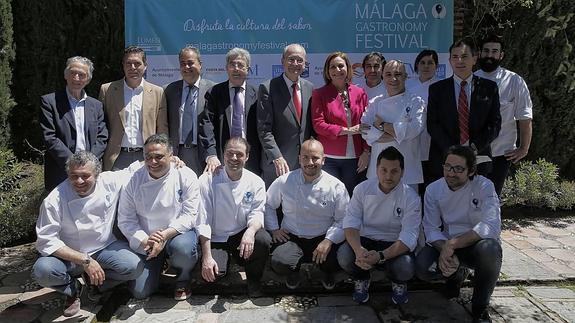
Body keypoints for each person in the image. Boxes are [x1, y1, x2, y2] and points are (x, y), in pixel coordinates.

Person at [32, 151, 143, 317]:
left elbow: (135, 169)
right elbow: (46, 241)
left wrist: (172, 159)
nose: (79, 181)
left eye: (85, 176)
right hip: (69, 255)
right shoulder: (54, 199)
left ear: (97, 174)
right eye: (74, 176)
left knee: (134, 267)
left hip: (104, 247)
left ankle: (97, 284)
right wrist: (85, 260)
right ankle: (72, 289)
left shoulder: (110, 181)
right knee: (42, 270)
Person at [415, 145, 502, 323]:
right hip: (446, 244)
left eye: (458, 169)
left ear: (471, 171)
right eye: (447, 166)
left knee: (491, 250)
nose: (451, 173)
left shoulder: (484, 186)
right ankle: (454, 277)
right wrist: (446, 249)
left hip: (475, 244)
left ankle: (480, 307)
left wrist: (453, 244)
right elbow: (431, 228)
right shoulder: (433, 189)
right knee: (423, 267)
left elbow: (491, 225)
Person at [117, 134, 200, 300]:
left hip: (176, 234)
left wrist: (164, 236)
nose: (153, 162)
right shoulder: (133, 179)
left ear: (171, 156)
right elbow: (126, 220)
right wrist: (145, 240)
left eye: (159, 157)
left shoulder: (186, 175)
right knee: (140, 292)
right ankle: (159, 267)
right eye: (148, 157)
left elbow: (190, 214)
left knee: (183, 250)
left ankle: (183, 279)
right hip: (147, 239)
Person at [338, 147, 421, 304]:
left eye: (394, 171)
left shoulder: (411, 198)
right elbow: (350, 222)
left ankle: (398, 281)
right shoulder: (362, 189)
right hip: (366, 240)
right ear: (376, 169)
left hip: (393, 243)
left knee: (405, 267)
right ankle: (361, 278)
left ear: (402, 172)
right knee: (344, 255)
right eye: (384, 170)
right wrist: (358, 250)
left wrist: (381, 256)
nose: (388, 176)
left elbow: (409, 236)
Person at [265, 139, 349, 290]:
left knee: (340, 260)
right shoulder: (284, 181)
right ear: (299, 159)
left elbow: (344, 219)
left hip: (323, 238)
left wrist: (329, 241)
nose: (310, 162)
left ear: (323, 160)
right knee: (280, 262)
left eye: (315, 158)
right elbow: (268, 204)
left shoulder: (336, 186)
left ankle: (325, 271)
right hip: (293, 237)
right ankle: (294, 271)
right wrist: (274, 229)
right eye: (305, 157)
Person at [197, 137, 272, 297]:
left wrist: (250, 231)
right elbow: (202, 220)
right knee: (213, 276)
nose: (234, 158)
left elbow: (257, 213)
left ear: (247, 157)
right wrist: (207, 257)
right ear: (223, 155)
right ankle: (222, 262)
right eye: (230, 153)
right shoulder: (207, 180)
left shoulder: (256, 181)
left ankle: (254, 280)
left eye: (239, 154)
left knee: (263, 239)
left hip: (241, 235)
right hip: (216, 237)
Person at [427, 39, 501, 182]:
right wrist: (454, 151)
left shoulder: (489, 88)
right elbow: (432, 124)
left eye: (464, 56)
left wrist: (475, 147)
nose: (459, 61)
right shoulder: (437, 89)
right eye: (455, 57)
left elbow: (495, 123)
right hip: (445, 160)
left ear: (474, 59)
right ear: (449, 61)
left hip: (479, 160)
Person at [475, 34, 533, 196]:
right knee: (472, 198)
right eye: (486, 51)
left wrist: (524, 148)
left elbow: (525, 117)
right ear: (479, 53)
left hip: (501, 154)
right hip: (474, 151)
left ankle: (493, 222)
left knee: (492, 198)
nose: (490, 55)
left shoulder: (515, 81)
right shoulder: (471, 80)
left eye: (494, 51)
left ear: (501, 55)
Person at [40, 56, 108, 191]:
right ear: (66, 75)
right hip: (61, 170)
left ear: (88, 79)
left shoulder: (96, 105)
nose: (76, 78)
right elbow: (49, 137)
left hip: (90, 171)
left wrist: (89, 163)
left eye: (82, 75)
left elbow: (102, 136)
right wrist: (73, 163)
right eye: (73, 73)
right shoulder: (50, 102)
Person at [99, 46, 168, 171]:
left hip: (147, 156)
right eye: (128, 63)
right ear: (123, 65)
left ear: (145, 66)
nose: (133, 68)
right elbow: (101, 126)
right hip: (116, 157)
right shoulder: (107, 90)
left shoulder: (157, 92)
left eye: (137, 64)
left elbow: (162, 128)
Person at [311, 52, 370, 195]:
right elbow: (318, 125)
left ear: (348, 69)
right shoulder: (319, 94)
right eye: (332, 67)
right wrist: (347, 130)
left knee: (352, 198)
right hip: (329, 157)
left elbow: (368, 123)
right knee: (330, 197)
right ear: (327, 71)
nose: (337, 70)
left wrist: (366, 151)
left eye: (340, 66)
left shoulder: (360, 93)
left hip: (355, 159)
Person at [361, 60, 425, 190]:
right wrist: (398, 133)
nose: (393, 78)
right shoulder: (375, 102)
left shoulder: (416, 102)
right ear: (383, 77)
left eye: (398, 74)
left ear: (406, 77)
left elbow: (413, 130)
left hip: (408, 171)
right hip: (377, 171)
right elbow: (364, 130)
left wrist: (382, 125)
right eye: (388, 74)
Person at [257, 43, 315, 187]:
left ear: (305, 64)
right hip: (277, 164)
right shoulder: (268, 88)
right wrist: (277, 157)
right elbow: (264, 130)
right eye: (291, 59)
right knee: (275, 207)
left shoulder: (310, 88)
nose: (295, 64)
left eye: (300, 60)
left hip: (303, 165)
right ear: (282, 61)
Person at [200, 47, 261, 175]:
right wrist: (211, 155)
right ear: (226, 68)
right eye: (232, 64)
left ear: (248, 69)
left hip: (250, 158)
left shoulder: (258, 94)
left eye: (240, 65)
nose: (236, 68)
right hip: (222, 158)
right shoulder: (214, 93)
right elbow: (207, 125)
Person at [165, 46, 216, 176]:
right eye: (183, 63)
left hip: (203, 153)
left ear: (200, 64)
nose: (186, 67)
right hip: (177, 154)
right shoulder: (169, 90)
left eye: (190, 63)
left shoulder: (213, 89)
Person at [406, 49, 440, 188]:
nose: (426, 66)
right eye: (423, 62)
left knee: (431, 184)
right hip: (411, 140)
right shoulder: (407, 86)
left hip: (434, 142)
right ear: (417, 65)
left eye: (430, 63)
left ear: (436, 67)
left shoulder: (441, 87)